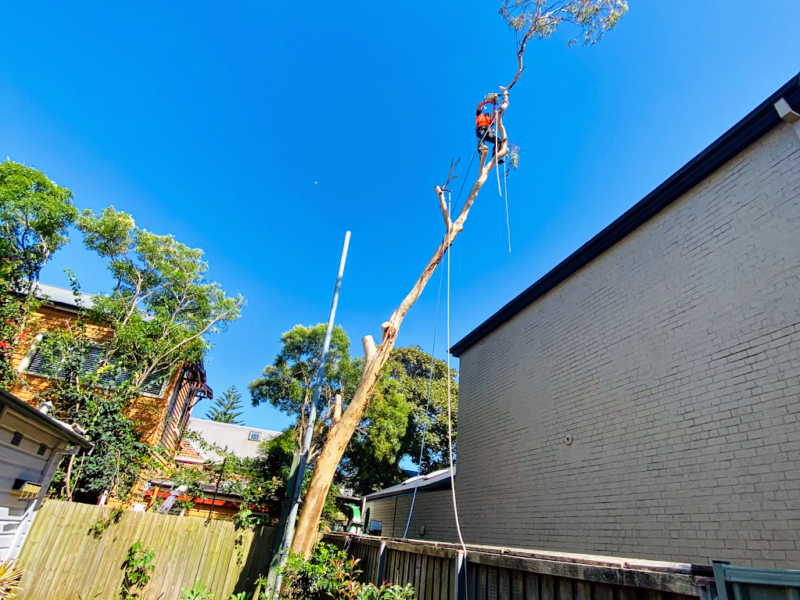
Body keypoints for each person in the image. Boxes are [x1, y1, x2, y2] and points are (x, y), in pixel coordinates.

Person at [476, 93, 504, 164]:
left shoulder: (490, 121)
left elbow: (494, 114)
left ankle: (495, 156)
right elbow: (479, 105)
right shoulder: (479, 116)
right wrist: (490, 101)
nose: (488, 115)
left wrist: (494, 104)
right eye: (487, 114)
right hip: (481, 129)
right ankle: (481, 151)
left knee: (498, 141)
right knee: (481, 138)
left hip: (488, 132)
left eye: (489, 115)